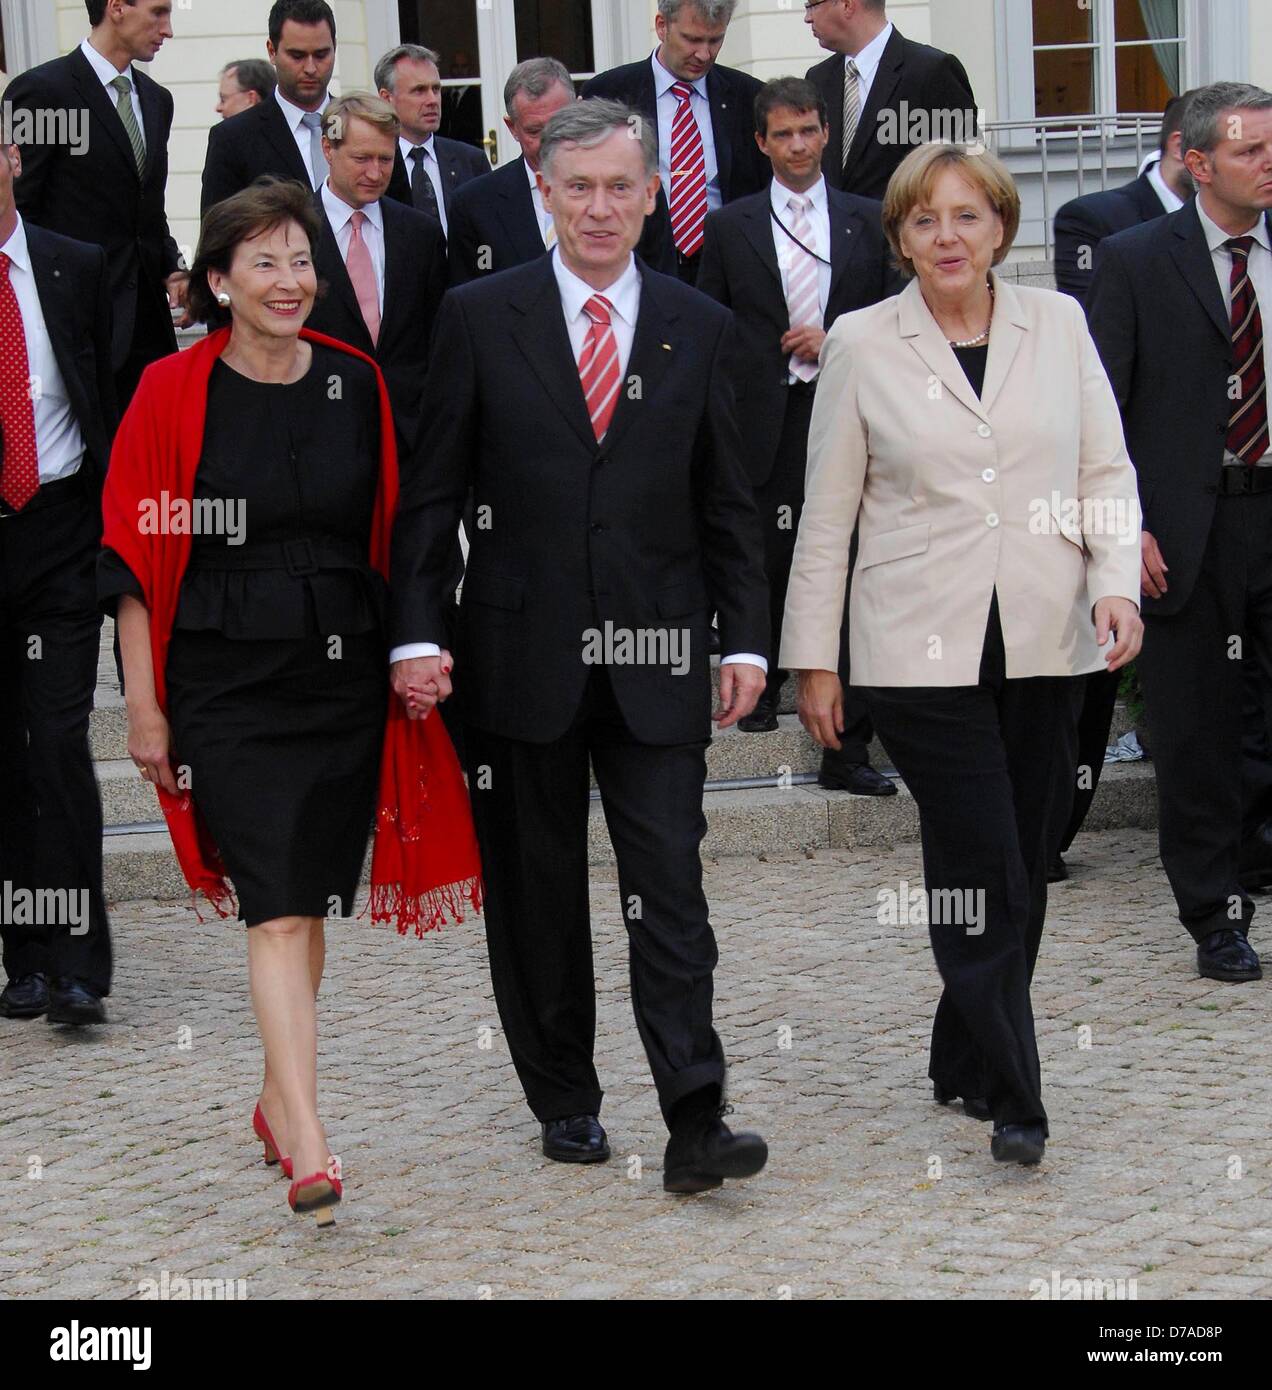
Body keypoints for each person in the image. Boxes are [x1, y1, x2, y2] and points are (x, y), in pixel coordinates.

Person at [390, 100, 771, 1194]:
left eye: (621, 187)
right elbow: (433, 494)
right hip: (516, 655)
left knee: (669, 883)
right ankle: (564, 1095)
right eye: (580, 187)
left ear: (654, 195)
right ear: (543, 192)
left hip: (658, 656)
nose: (602, 208)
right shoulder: (477, 314)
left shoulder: (699, 327)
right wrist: (417, 629)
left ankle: (697, 1116)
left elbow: (729, 504)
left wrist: (745, 641)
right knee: (537, 888)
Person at [98, 179, 481, 1223]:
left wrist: (411, 645)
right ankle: (310, 1134)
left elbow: (401, 526)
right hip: (222, 675)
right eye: (261, 262)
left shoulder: (355, 384)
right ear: (217, 281)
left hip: (338, 674)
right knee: (272, 901)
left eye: (300, 259)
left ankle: (277, 1095)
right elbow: (133, 560)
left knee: (303, 901)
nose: (288, 279)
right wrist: (144, 707)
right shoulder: (171, 392)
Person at [781, 142, 1142, 1166]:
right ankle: (1018, 1094)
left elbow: (1103, 464)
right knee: (982, 855)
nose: (948, 237)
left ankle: (960, 1049)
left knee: (1021, 858)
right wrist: (815, 657)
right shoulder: (861, 341)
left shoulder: (1058, 324)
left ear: (1000, 228)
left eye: (968, 216)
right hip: (913, 648)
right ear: (898, 238)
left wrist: (1115, 579)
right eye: (924, 220)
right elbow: (828, 513)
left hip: (1044, 632)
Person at [1087, 82, 1272, 984]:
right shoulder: (1132, 261)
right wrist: (1129, 533)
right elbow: (1102, 415)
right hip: (1187, 532)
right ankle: (1215, 915)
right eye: (1251, 151)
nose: (1269, 164)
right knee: (1195, 732)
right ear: (1198, 164)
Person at [697, 76, 900, 795]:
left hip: (848, 410)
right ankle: (761, 678)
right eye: (783, 134)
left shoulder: (867, 219)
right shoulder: (730, 227)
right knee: (759, 551)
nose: (798, 145)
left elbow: (893, 316)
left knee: (850, 562)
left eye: (809, 130)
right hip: (762, 414)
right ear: (761, 143)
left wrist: (835, 340)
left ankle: (850, 747)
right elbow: (712, 327)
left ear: (823, 132)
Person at [0, 141, 118, 1026]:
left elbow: (109, 392)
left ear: (9, 155)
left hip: (63, 531)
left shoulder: (72, 265)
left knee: (60, 740)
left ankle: (79, 962)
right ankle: (25, 956)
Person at [7, 0, 188, 406]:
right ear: (117, 7)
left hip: (149, 328)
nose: (168, 29)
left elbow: (147, 208)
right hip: (77, 328)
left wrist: (174, 268)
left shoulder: (158, 101)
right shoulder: (44, 92)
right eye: (158, 12)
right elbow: (18, 210)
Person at [583, 0, 768, 284]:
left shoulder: (749, 97)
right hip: (639, 268)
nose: (704, 54)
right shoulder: (610, 92)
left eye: (715, 40)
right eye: (692, 39)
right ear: (662, 26)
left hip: (727, 274)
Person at [305, 94, 447, 457]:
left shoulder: (421, 234)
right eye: (361, 158)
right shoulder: (293, 234)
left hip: (410, 440)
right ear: (328, 149)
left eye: (385, 159)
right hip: (320, 434)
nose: (375, 172)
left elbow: (439, 341)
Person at [200, 2, 408, 214]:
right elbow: (218, 236)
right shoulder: (233, 139)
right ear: (272, 51)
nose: (310, 68)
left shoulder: (374, 128)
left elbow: (401, 221)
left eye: (321, 55)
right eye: (297, 56)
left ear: (334, 47)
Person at [804, 0, 976, 201]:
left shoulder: (932, 71)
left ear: (847, 5)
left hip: (902, 228)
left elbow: (967, 167)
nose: (808, 17)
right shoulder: (818, 78)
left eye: (812, 5)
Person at [1054, 92, 1195, 307]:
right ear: (1179, 147)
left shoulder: (1256, 222)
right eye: (1246, 152)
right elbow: (1090, 323)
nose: (1265, 163)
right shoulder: (1089, 220)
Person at [374, 44, 491, 239]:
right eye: (419, 90)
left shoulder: (471, 160)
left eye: (435, 89)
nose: (433, 100)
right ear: (387, 98)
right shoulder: (375, 165)